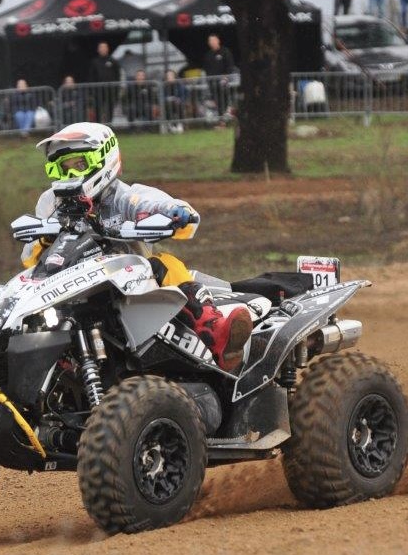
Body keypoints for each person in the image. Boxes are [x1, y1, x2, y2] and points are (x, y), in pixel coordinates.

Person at [30, 123, 253, 371]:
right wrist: (44, 237)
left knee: (164, 263)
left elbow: (151, 203)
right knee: (28, 283)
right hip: (71, 290)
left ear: (104, 157)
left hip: (132, 287)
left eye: (79, 165)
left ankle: (216, 332)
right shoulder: (50, 203)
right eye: (64, 168)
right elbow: (29, 258)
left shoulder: (123, 197)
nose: (72, 175)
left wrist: (174, 211)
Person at [203, 33, 236, 120]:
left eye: (213, 40)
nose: (211, 42)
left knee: (224, 97)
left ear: (218, 40)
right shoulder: (208, 55)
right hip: (212, 82)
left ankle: (225, 116)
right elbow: (207, 69)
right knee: (216, 100)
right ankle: (221, 118)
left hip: (225, 81)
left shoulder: (225, 52)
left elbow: (230, 66)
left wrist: (226, 77)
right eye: (210, 41)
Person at [87, 41, 120, 123]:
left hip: (110, 91)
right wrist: (92, 91)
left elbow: (117, 75)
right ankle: (98, 127)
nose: (103, 49)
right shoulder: (95, 62)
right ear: (98, 49)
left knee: (110, 109)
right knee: (98, 109)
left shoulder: (113, 61)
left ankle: (109, 125)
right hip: (98, 91)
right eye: (101, 47)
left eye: (104, 47)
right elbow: (91, 76)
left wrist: (116, 89)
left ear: (107, 49)